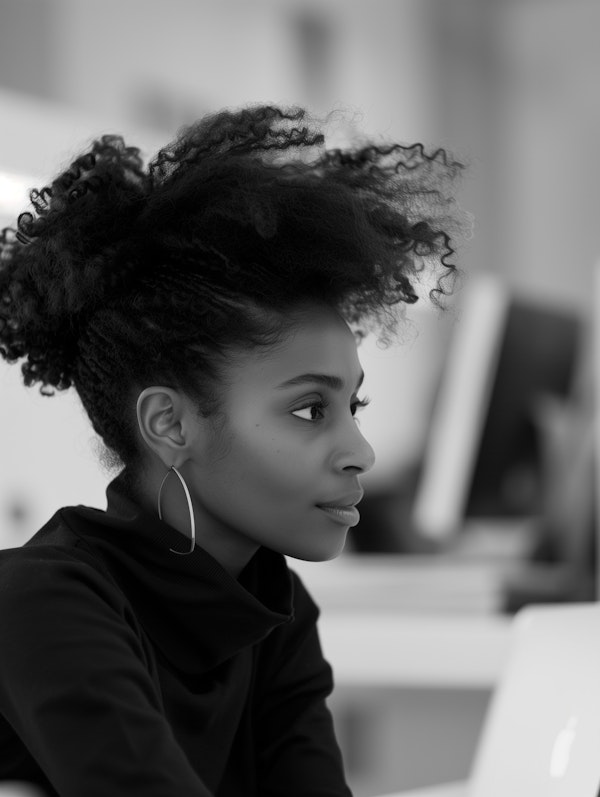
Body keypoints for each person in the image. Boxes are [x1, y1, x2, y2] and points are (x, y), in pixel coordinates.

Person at [0, 105, 464, 797]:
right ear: (170, 424)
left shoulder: (269, 603)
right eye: (311, 409)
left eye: (351, 407)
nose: (360, 451)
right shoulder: (40, 601)